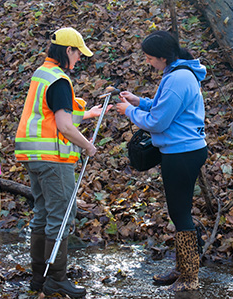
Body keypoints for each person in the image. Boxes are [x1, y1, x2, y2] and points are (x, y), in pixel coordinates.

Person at [15, 27, 110, 298]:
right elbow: (65, 127)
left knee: (42, 215)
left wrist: (88, 114)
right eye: (78, 53)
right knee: (61, 218)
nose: (79, 58)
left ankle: (38, 278)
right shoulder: (60, 81)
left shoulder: (42, 74)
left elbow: (49, 118)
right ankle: (56, 279)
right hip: (53, 161)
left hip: (33, 157)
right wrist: (88, 146)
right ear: (68, 50)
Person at [116, 30, 208, 292]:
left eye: (148, 58)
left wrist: (129, 111)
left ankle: (190, 277)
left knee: (180, 213)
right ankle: (182, 269)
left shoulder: (178, 78)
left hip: (182, 152)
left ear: (162, 57)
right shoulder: (176, 72)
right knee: (179, 212)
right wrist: (139, 102)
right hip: (181, 150)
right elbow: (162, 108)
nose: (147, 62)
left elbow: (158, 122)